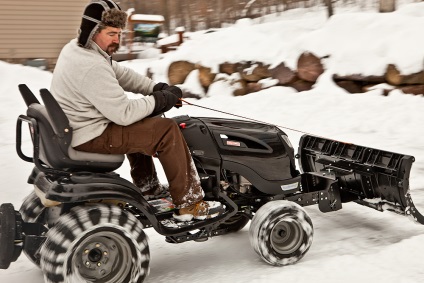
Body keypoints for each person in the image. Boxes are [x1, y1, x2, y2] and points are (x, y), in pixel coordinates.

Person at [50, 0, 223, 221]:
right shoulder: (91, 66)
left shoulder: (78, 49)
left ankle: (148, 188)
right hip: (89, 134)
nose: (117, 40)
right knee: (166, 130)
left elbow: (119, 73)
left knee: (143, 123)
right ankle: (189, 203)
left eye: (120, 33)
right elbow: (124, 114)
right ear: (92, 31)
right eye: (111, 33)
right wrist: (160, 101)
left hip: (81, 126)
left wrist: (155, 88)